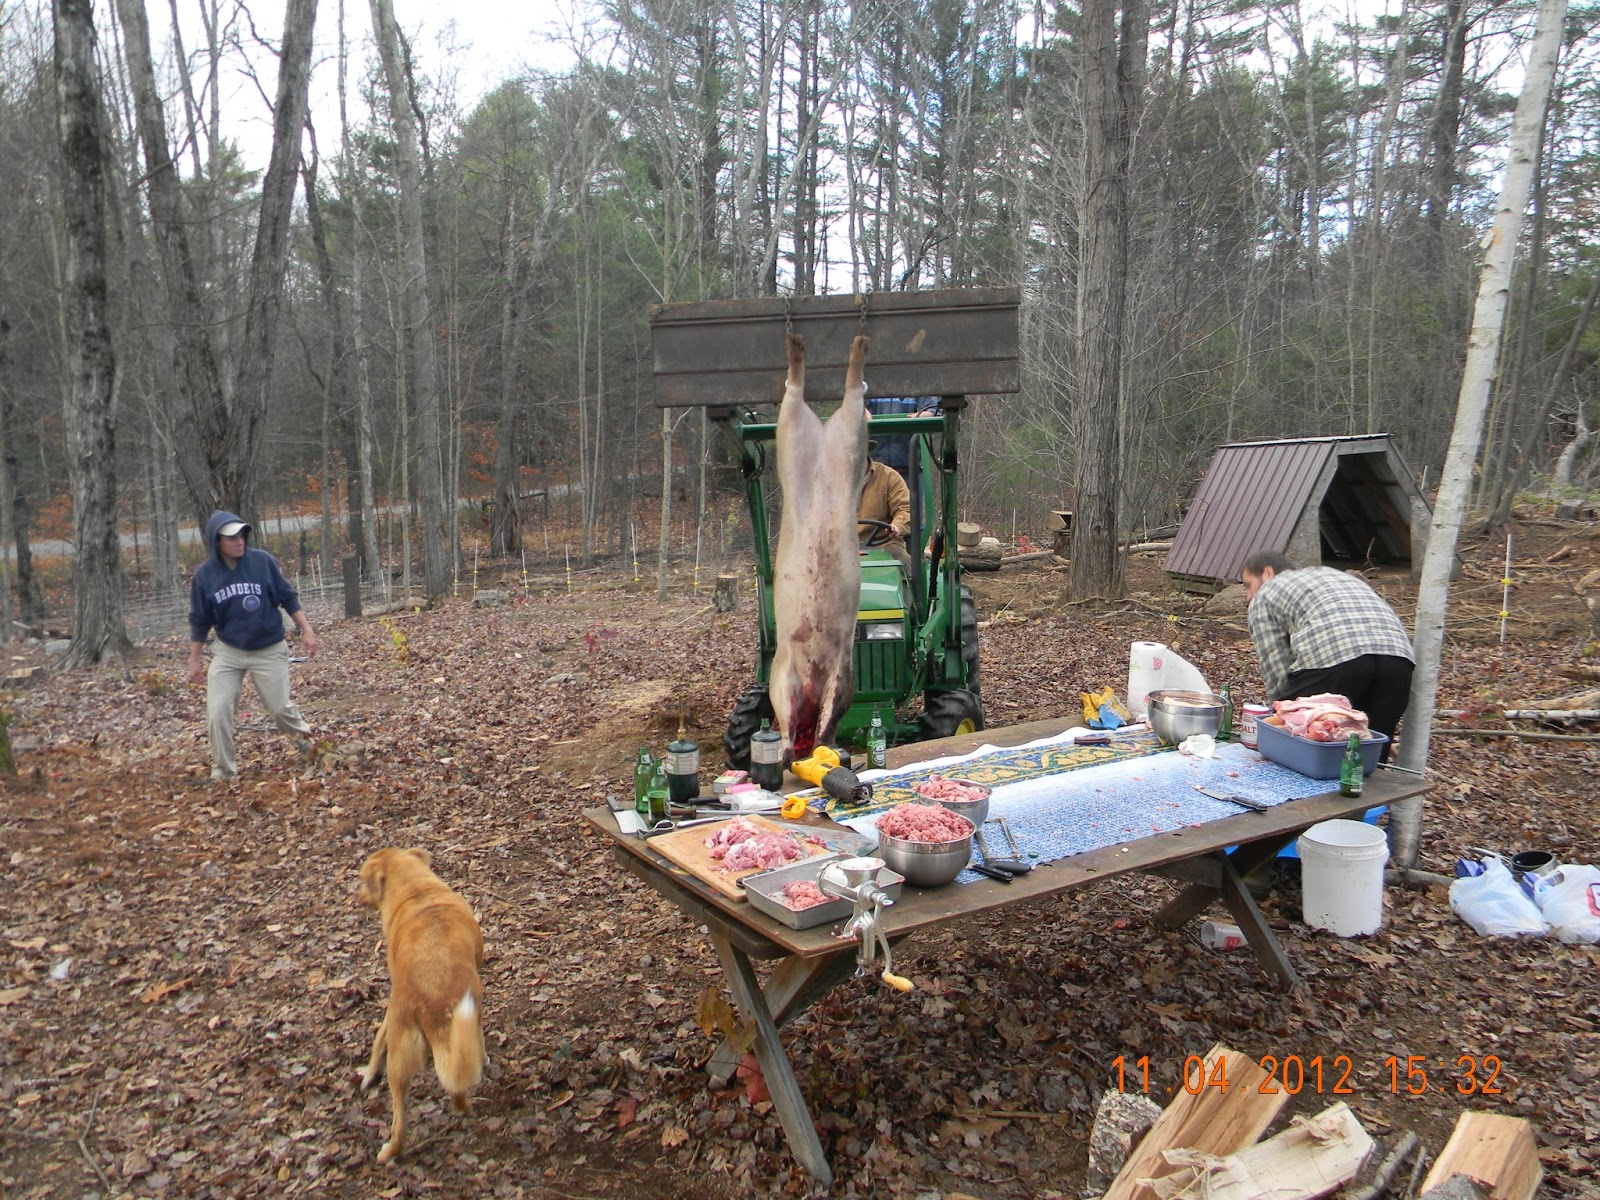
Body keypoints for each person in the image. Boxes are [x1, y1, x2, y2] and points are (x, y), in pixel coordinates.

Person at [1239, 550, 1414, 756]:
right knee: (1368, 755)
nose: (1249, 597)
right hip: (1398, 660)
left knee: (1302, 745)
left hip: (1335, 657)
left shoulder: (1266, 594)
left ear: (1267, 573)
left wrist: (1282, 712)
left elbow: (1274, 663)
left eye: (1248, 586)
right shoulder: (1334, 576)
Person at [188, 511, 318, 781]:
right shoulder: (205, 576)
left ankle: (310, 748)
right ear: (216, 541)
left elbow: (287, 597)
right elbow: (199, 621)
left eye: (241, 536)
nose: (239, 542)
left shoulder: (263, 563)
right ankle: (223, 772)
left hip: (268, 648)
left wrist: (306, 629)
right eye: (231, 538)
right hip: (228, 650)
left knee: (280, 708)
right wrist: (194, 659)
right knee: (218, 711)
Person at [857, 440, 913, 569]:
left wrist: (898, 525)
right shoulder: (830, 481)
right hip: (841, 546)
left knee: (903, 561)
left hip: (882, 543)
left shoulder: (889, 476)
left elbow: (905, 508)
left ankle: (909, 587)